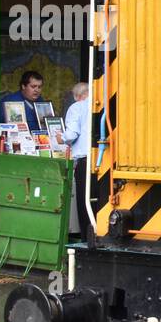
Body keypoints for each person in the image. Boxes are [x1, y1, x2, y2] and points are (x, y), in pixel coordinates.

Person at [61, 82, 94, 243]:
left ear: (78, 96)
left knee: (84, 201)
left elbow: (72, 134)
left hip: (84, 160)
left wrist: (61, 138)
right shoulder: (100, 105)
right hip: (102, 160)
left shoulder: (77, 107)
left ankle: (87, 239)